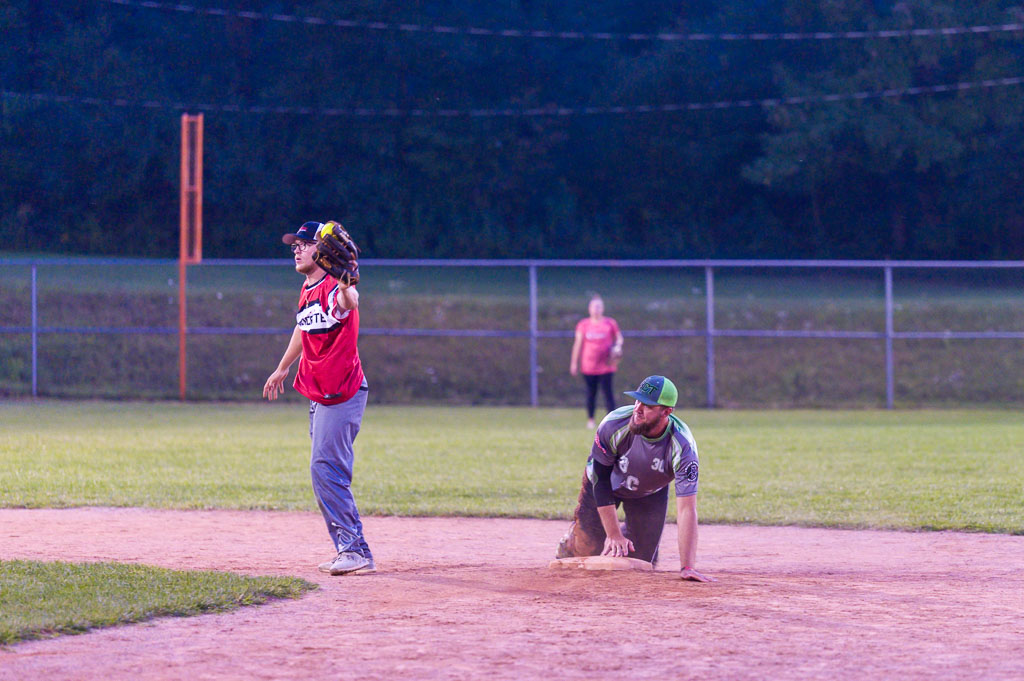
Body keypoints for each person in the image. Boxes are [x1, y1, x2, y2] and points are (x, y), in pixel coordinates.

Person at [262, 220, 375, 576]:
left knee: (325, 470)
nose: (296, 249)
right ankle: (348, 547)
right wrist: (282, 367)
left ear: (323, 251)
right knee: (325, 470)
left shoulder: (332, 286)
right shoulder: (308, 287)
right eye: (294, 245)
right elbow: (303, 325)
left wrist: (347, 285)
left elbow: (348, 302)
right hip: (319, 392)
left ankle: (355, 550)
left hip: (341, 392)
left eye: (304, 244)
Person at [555, 375, 714, 582]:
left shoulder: (682, 446)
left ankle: (626, 534)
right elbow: (601, 481)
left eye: (647, 405)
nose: (637, 408)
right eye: (637, 400)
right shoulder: (614, 424)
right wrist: (612, 534)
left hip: (648, 493)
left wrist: (687, 566)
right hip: (605, 485)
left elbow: (686, 509)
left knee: (641, 562)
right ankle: (571, 541)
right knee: (588, 546)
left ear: (666, 412)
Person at [569, 295, 624, 428]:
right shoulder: (583, 324)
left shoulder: (609, 323)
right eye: (594, 306)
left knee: (608, 393)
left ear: (603, 308)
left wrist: (617, 347)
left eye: (599, 306)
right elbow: (578, 344)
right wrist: (574, 363)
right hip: (589, 366)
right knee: (591, 393)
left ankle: (612, 421)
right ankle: (591, 420)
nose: (596, 309)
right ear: (589, 309)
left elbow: (619, 339)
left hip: (606, 366)